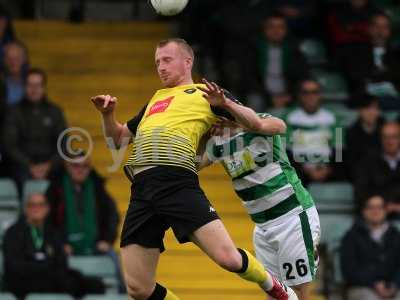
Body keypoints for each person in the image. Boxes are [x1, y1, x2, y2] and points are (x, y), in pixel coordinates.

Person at [91, 38, 298, 300]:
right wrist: (107, 114)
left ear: (187, 61)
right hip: (142, 189)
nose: (161, 67)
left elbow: (256, 123)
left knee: (229, 259)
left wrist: (225, 105)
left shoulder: (207, 92)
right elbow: (117, 139)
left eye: (167, 60)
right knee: (138, 289)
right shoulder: (155, 99)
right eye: (157, 62)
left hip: (177, 181)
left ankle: (274, 286)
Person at [197, 82, 320, 300]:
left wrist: (236, 121)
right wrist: (203, 135)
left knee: (299, 292)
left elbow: (280, 126)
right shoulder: (218, 143)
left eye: (228, 107)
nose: (225, 115)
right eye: (219, 111)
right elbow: (195, 165)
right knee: (275, 294)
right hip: (262, 227)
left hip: (293, 217)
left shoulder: (262, 121)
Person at [2, 192, 105, 299]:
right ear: (25, 209)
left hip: (51, 277)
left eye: (41, 205)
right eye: (32, 205)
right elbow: (14, 265)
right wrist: (44, 266)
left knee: (94, 284)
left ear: (47, 208)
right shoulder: (13, 233)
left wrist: (49, 267)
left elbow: (61, 261)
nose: (36, 208)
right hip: (24, 280)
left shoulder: (53, 232)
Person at [46, 154, 124, 292]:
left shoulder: (98, 189)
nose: (80, 170)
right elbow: (48, 222)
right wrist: (60, 244)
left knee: (115, 260)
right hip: (63, 247)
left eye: (85, 166)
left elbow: (112, 217)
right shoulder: (55, 190)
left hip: (95, 245)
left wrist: (106, 240)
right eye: (76, 166)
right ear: (67, 167)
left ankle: (122, 294)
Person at [2, 68, 67, 191]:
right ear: (24, 87)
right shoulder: (13, 112)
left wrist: (49, 165)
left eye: (38, 85)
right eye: (30, 85)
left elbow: (64, 143)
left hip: (52, 166)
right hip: (21, 166)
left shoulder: (55, 111)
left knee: (69, 175)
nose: (34, 89)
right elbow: (9, 145)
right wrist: (29, 165)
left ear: (44, 87)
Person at [340, 195, 400, 300]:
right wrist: (374, 283)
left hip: (393, 287)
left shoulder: (395, 235)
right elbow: (349, 270)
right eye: (371, 207)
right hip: (362, 287)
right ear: (363, 211)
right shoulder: (351, 236)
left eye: (379, 207)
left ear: (385, 210)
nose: (375, 211)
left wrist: (394, 284)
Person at [284, 78, 341, 185]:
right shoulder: (289, 118)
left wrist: (327, 169)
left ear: (320, 95)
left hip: (328, 170)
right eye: (305, 93)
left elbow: (338, 149)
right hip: (298, 171)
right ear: (299, 95)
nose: (310, 96)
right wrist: (306, 169)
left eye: (314, 92)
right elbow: (286, 151)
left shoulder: (332, 118)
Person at [337, 13, 400, 108]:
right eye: (376, 26)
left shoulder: (396, 54)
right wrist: (383, 74)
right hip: (363, 100)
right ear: (369, 29)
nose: (380, 31)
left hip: (393, 100)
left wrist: (375, 75)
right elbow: (355, 77)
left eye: (385, 27)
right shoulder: (355, 52)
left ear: (389, 31)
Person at [249, 12, 309, 111]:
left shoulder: (294, 50)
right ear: (264, 29)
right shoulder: (254, 49)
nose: (276, 31)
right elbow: (249, 79)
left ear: (286, 30)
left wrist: (289, 96)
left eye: (280, 27)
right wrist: (269, 98)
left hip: (288, 94)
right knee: (254, 99)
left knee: (307, 96)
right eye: (271, 26)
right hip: (262, 93)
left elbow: (302, 76)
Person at [354, 122, 400, 211]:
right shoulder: (367, 162)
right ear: (381, 139)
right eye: (385, 137)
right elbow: (360, 193)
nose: (389, 141)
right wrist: (383, 206)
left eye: (394, 137)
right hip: (375, 213)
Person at [345, 94, 384, 180]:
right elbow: (349, 161)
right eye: (367, 108)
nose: (371, 112)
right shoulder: (350, 133)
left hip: (385, 176)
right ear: (360, 111)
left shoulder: (387, 129)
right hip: (361, 178)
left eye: (375, 108)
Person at [2, 41, 28, 105]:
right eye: (9, 59)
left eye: (17, 58)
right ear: (4, 60)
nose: (13, 62)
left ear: (24, 59)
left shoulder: (32, 80)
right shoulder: (2, 81)